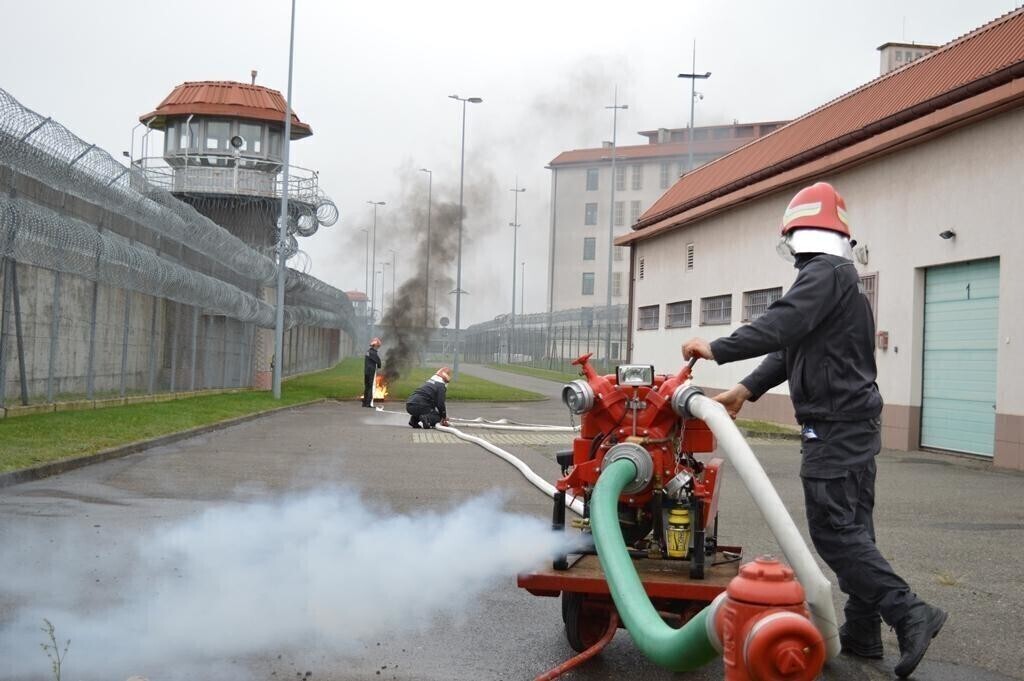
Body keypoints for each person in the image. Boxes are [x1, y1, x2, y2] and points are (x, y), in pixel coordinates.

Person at [681, 182, 946, 679]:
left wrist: (717, 347)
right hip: (854, 422)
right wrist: (746, 389)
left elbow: (782, 324)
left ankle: (910, 612)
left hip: (836, 426)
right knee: (855, 529)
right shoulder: (841, 277)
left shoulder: (824, 273)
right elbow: (792, 347)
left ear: (801, 235)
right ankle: (863, 632)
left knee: (834, 531)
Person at [362, 337, 382, 408]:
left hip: (366, 372)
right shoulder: (373, 353)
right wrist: (379, 365)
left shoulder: (368, 352)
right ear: (375, 346)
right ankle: (369, 403)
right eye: (378, 346)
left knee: (367, 387)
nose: (378, 348)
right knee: (371, 387)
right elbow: (378, 362)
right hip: (371, 372)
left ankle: (364, 403)